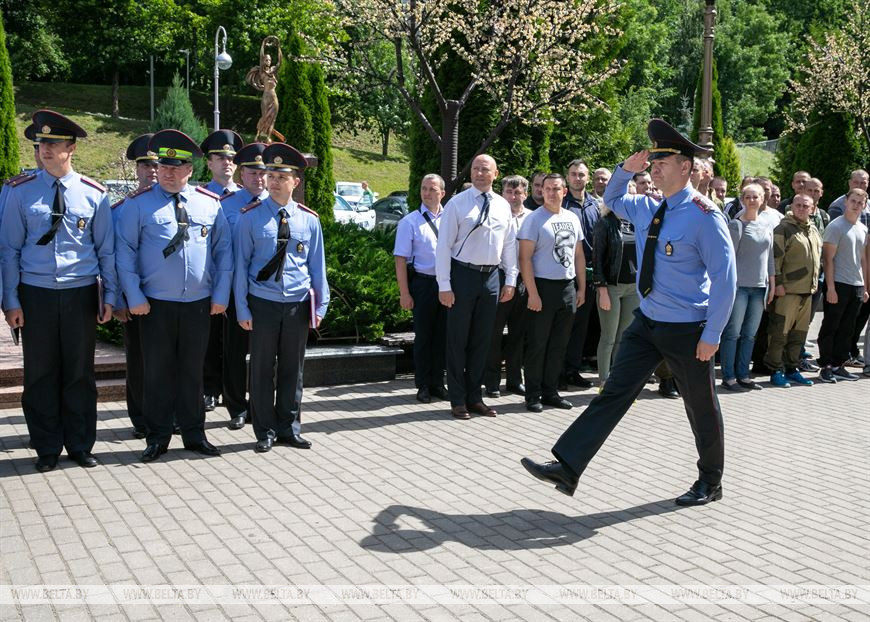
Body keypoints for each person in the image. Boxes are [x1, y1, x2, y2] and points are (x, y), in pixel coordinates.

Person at [521, 119, 736, 506]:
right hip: (648, 322)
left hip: (688, 329)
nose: (655, 169)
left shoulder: (705, 216)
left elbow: (725, 279)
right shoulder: (648, 207)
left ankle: (710, 480)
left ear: (685, 167)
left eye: (663, 163)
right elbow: (613, 198)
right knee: (614, 392)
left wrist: (712, 334)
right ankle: (568, 466)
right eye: (653, 163)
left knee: (700, 406)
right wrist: (624, 169)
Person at [0, 109, 117, 472]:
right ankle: (47, 447)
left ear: (72, 148)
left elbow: (106, 251)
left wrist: (110, 297)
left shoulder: (94, 195)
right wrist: (10, 301)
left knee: (79, 372)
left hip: (80, 293)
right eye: (41, 144)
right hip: (36, 294)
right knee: (40, 372)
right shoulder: (19, 192)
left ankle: (80, 444)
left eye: (53, 143)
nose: (45, 150)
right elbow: (9, 250)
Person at [115, 129, 233, 463]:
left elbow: (224, 252)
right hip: (155, 305)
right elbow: (124, 254)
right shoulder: (138, 206)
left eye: (176, 166)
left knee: (193, 372)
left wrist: (220, 294)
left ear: (190, 169)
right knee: (157, 373)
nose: (167, 172)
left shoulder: (209, 204)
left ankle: (195, 434)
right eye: (163, 166)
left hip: (198, 303)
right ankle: (157, 437)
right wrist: (134, 296)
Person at [234, 143, 329, 453]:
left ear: (295, 182)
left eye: (281, 177)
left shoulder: (309, 220)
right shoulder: (249, 218)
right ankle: (265, 430)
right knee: (261, 369)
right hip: (262, 302)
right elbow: (240, 267)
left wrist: (321, 305)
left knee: (292, 369)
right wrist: (242, 308)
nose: (273, 182)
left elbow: (317, 266)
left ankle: (289, 427)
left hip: (297, 304)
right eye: (271, 176)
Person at [435, 154, 517, 420]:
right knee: (458, 341)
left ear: (496, 174)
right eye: (476, 169)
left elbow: (509, 245)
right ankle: (457, 400)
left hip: (491, 277)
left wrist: (510, 280)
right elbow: (443, 247)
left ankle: (475, 397)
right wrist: (444, 285)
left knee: (483, 341)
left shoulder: (503, 205)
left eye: (485, 169)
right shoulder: (457, 203)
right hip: (462, 276)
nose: (480, 173)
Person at [216, 142, 271, 430]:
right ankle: (236, 406)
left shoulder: (276, 204)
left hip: (266, 290)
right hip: (235, 289)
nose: (258, 178)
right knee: (235, 352)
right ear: (242, 174)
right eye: (252, 172)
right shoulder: (225, 205)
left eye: (263, 173)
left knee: (264, 352)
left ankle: (262, 406)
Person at [519, 173, 585, 412]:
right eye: (547, 188)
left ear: (564, 191)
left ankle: (550, 392)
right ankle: (533, 394)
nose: (551, 193)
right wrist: (533, 293)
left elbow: (579, 255)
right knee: (538, 344)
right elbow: (524, 259)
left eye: (556, 188)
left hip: (567, 288)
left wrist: (581, 288)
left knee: (559, 344)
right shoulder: (533, 219)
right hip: (542, 287)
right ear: (541, 191)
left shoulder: (572, 218)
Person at [111, 134, 159, 438]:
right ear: (137, 169)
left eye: (156, 165)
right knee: (139, 361)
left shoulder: (176, 205)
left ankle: (167, 415)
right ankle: (140, 419)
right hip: (134, 298)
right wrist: (117, 299)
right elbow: (112, 259)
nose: (152, 170)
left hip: (167, 297)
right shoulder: (119, 210)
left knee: (169, 361)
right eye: (146, 165)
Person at [394, 174, 449, 404]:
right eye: (424, 188)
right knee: (424, 337)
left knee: (442, 336)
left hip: (446, 285)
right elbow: (400, 259)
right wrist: (405, 293)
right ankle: (423, 385)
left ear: (442, 193)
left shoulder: (451, 219)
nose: (427, 193)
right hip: (423, 284)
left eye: (432, 189)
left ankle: (438, 383)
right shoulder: (410, 222)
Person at [200, 129, 243, 413]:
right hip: (211, 279)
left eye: (231, 158)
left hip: (239, 282)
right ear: (209, 163)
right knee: (209, 338)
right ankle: (209, 389)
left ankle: (233, 392)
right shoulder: (200, 197)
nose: (227, 162)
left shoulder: (246, 197)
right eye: (220, 158)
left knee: (235, 342)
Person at [719, 184, 775, 391]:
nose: (752, 200)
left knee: (750, 334)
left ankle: (743, 374)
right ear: (742, 199)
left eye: (755, 197)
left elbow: (770, 258)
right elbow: (728, 259)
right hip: (739, 288)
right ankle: (728, 376)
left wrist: (772, 283)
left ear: (762, 199)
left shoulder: (767, 225)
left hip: (760, 288)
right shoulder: (736, 226)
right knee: (732, 333)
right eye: (748, 197)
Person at [764, 194, 822, 388]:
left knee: (799, 334)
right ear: (791, 206)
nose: (801, 208)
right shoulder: (783, 228)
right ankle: (776, 370)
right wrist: (778, 284)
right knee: (779, 333)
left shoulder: (813, 229)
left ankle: (792, 368)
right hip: (788, 291)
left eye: (806, 206)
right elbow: (775, 259)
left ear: (812, 209)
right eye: (798, 205)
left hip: (807, 291)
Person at [484, 175, 531, 398]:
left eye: (517, 192)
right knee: (493, 333)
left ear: (525, 194)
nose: (513, 197)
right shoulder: (495, 216)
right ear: (502, 194)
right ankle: (491, 381)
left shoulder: (532, 218)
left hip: (525, 280)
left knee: (518, 333)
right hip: (499, 277)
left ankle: (514, 380)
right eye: (509, 192)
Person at [816, 188, 869, 383]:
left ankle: (839, 365)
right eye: (853, 201)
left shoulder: (862, 229)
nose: (856, 205)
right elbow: (828, 259)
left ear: (864, 206)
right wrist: (830, 287)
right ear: (846, 202)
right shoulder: (836, 226)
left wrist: (865, 287)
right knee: (831, 326)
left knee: (848, 329)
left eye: (860, 202)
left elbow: (863, 259)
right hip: (838, 284)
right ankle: (826, 366)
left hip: (856, 285)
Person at [591, 201, 639, 386]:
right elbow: (597, 258)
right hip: (612, 287)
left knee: (624, 337)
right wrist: (601, 288)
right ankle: (604, 382)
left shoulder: (637, 221)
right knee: (608, 337)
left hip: (633, 288)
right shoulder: (605, 223)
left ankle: (618, 381)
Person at [562, 159, 600, 389]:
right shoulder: (562, 204)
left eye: (581, 174)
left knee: (581, 327)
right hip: (566, 273)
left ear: (588, 177)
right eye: (574, 174)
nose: (577, 178)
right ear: (567, 177)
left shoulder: (596, 205)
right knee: (564, 325)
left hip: (590, 274)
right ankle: (558, 372)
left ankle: (572, 370)